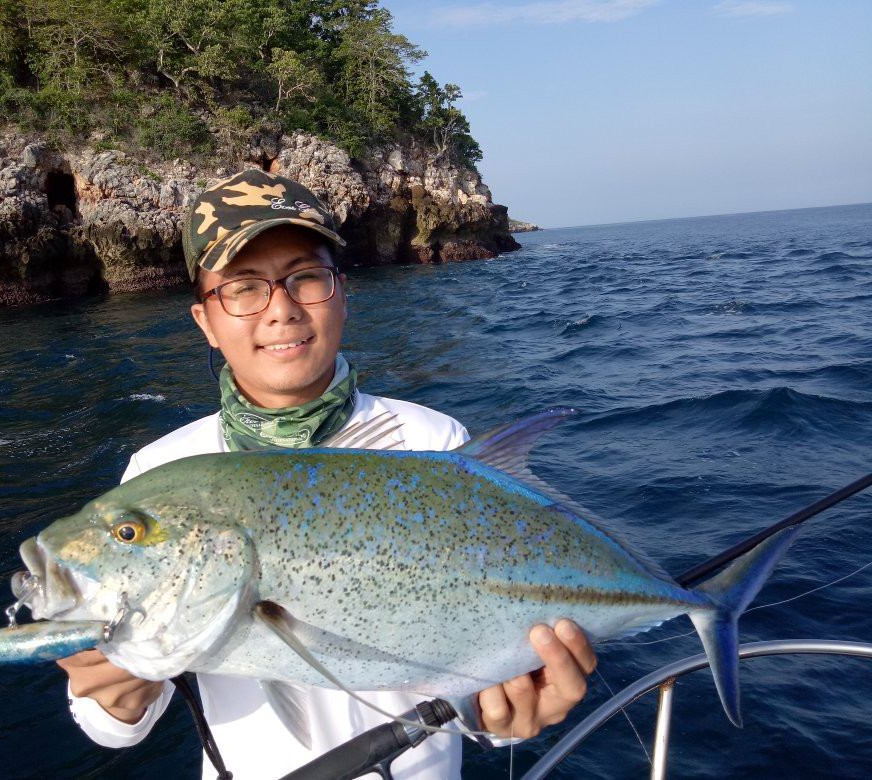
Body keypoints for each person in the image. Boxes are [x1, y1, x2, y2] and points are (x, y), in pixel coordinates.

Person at [58, 169, 597, 778]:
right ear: (205, 320)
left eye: (306, 278)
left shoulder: (430, 443)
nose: (280, 310)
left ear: (342, 291)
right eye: (242, 287)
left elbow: (477, 665)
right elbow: (115, 727)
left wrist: (503, 713)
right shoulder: (158, 475)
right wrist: (114, 699)